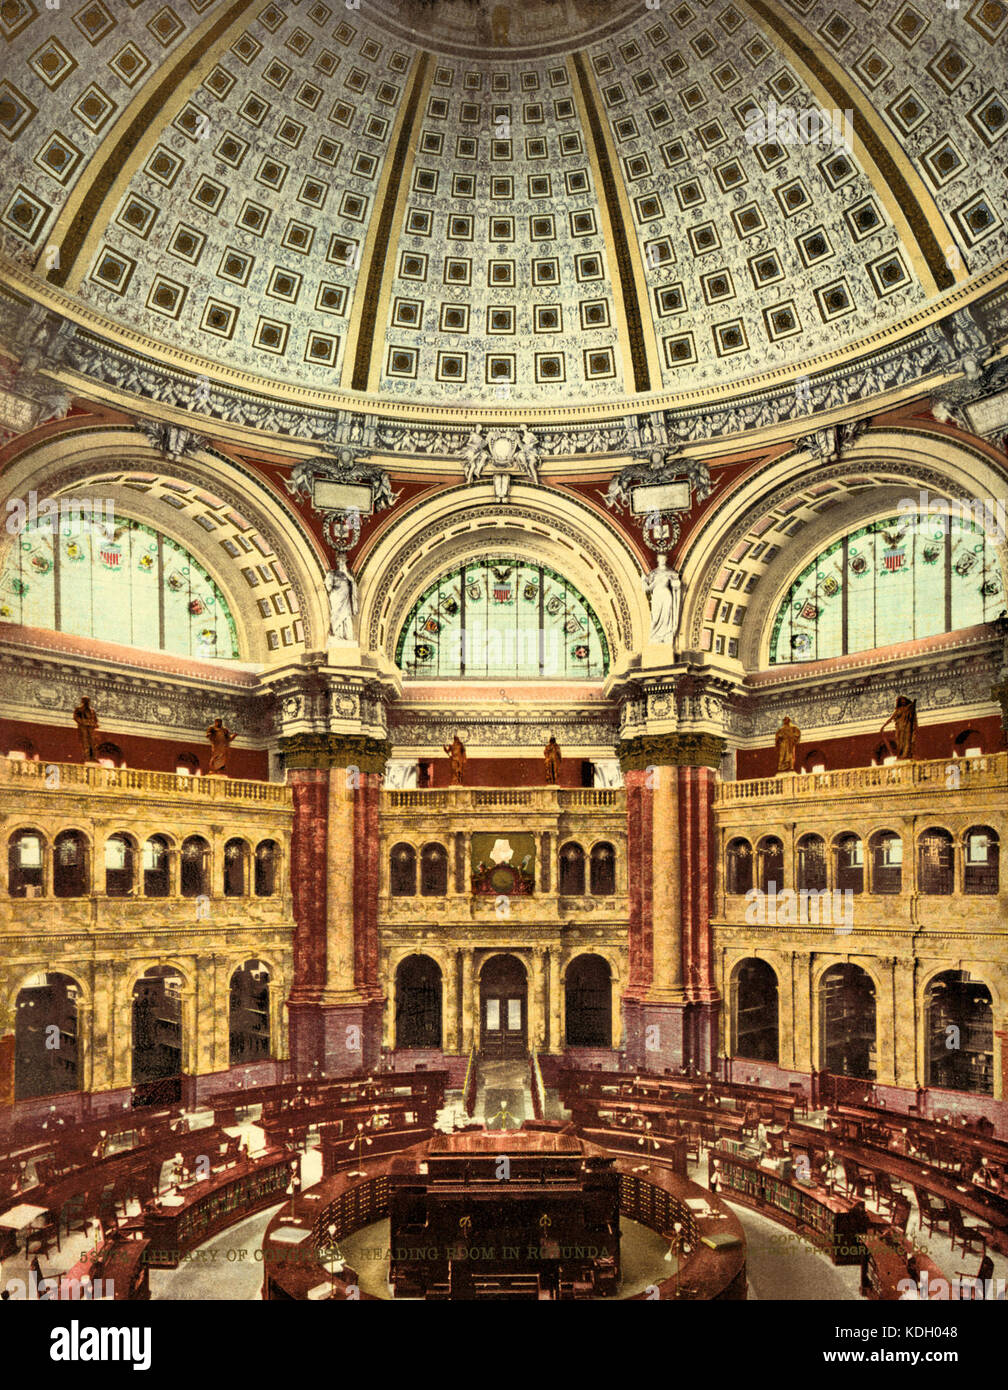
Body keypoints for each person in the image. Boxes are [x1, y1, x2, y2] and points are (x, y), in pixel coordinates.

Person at [643, 553, 681, 645]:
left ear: (666, 559)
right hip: (657, 596)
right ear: (658, 560)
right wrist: (646, 582)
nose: (662, 561)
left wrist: (676, 584)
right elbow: (647, 588)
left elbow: (676, 585)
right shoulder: (654, 573)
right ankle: (655, 636)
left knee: (667, 616)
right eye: (661, 559)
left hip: (666, 595)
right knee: (655, 618)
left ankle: (666, 636)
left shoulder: (670, 572)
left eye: (664, 559)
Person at [325, 555, 358, 642]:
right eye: (340, 561)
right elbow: (328, 587)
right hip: (337, 598)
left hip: (346, 600)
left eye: (343, 561)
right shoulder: (332, 573)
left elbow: (353, 583)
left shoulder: (348, 573)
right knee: (336, 616)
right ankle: (337, 635)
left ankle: (348, 637)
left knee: (347, 616)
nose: (342, 563)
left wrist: (346, 573)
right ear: (338, 562)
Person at [880, 695, 918, 760]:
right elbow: (891, 718)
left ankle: (906, 755)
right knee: (900, 743)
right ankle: (901, 755)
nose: (903, 702)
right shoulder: (898, 710)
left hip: (907, 727)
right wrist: (884, 726)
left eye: (904, 700)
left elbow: (912, 709)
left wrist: (914, 703)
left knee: (907, 741)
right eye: (902, 701)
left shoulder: (909, 708)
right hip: (900, 728)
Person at [73, 695, 99, 762]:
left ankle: (94, 757)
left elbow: (95, 719)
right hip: (83, 728)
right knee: (85, 743)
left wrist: (94, 723)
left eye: (88, 701)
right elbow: (76, 717)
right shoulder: (79, 709)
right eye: (85, 701)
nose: (87, 702)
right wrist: (83, 722)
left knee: (93, 743)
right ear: (83, 701)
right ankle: (86, 757)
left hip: (90, 728)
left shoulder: (92, 711)